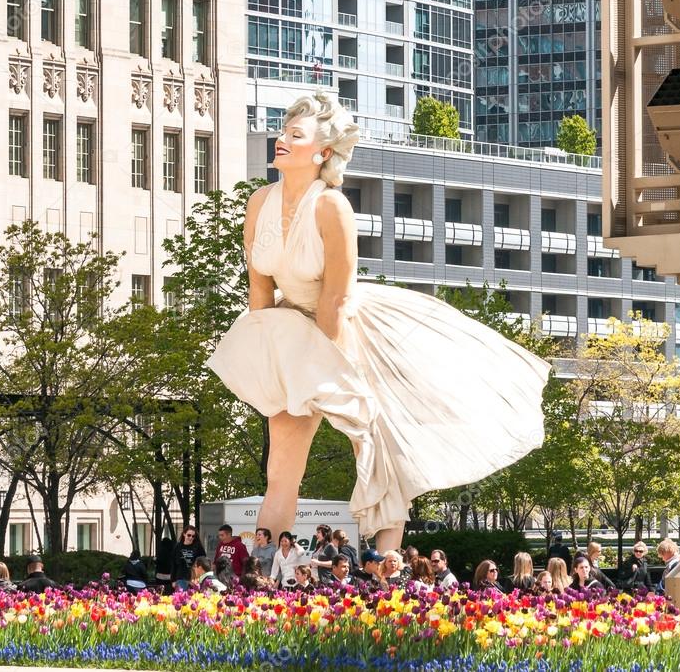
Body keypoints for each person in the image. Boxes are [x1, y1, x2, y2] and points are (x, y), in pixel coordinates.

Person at [206, 93, 549, 552]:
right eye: (282, 132)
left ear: (323, 152)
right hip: (288, 329)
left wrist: (321, 369)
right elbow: (260, 294)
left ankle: (387, 569)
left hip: (344, 332)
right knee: (280, 468)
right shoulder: (258, 203)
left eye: (294, 135)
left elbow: (337, 296)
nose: (280, 140)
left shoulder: (331, 207)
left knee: (378, 449)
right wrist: (268, 368)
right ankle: (263, 569)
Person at [172, 526, 206, 591]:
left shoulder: (198, 547)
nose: (190, 538)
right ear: (184, 534)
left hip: (194, 578)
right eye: (189, 535)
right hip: (181, 577)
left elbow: (203, 563)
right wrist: (173, 580)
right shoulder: (178, 547)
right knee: (180, 598)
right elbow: (174, 564)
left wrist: (198, 578)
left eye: (193, 536)